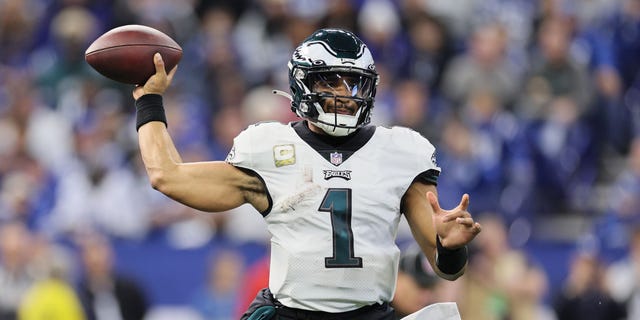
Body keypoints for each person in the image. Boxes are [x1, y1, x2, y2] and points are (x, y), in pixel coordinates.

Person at [131, 28, 482, 319]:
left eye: (353, 84)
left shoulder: (400, 151)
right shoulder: (268, 146)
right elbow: (167, 176)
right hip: (292, 314)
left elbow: (447, 269)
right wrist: (149, 100)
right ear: (303, 85)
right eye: (331, 82)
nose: (345, 95)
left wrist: (450, 248)